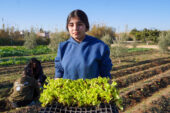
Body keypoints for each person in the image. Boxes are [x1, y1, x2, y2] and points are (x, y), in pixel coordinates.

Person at [55, 9, 113, 80]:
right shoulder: (62, 47)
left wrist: (109, 89)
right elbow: (58, 74)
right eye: (71, 25)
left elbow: (106, 76)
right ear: (67, 27)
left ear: (86, 26)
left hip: (91, 90)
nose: (75, 28)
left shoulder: (100, 47)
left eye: (79, 24)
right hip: (66, 91)